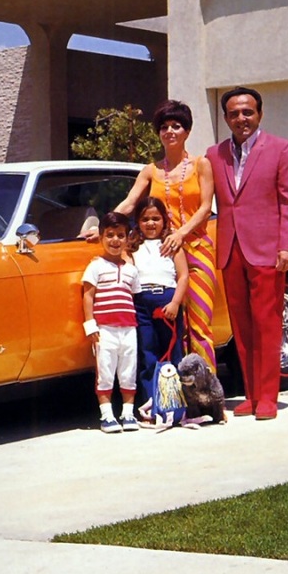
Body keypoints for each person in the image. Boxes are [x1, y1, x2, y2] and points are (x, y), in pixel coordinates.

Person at [207, 86, 288, 420]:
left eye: (247, 112)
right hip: (230, 249)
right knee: (242, 324)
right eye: (234, 113)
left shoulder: (281, 149)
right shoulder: (214, 154)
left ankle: (268, 396)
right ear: (225, 118)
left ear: (259, 114)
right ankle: (250, 394)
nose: (241, 119)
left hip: (267, 250)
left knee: (267, 323)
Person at [115, 99, 218, 373]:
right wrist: (106, 225)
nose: (170, 131)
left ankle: (205, 396)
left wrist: (181, 233)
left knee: (200, 324)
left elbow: (206, 207)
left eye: (177, 126)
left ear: (187, 131)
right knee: (173, 327)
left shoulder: (201, 164)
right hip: (161, 255)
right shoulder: (151, 170)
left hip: (196, 248)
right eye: (164, 127)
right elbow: (130, 202)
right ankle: (177, 396)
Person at [81, 211, 142, 433]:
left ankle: (128, 413)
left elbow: (133, 297)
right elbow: (88, 295)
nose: (115, 240)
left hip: (128, 328)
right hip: (104, 329)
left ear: (128, 238)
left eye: (120, 235)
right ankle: (107, 415)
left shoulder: (131, 270)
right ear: (101, 237)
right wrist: (90, 325)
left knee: (128, 370)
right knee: (105, 372)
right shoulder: (96, 266)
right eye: (110, 235)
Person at [130, 195, 189, 416]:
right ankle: (152, 406)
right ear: (138, 221)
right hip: (142, 303)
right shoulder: (132, 246)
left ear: (164, 220)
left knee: (172, 353)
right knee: (147, 353)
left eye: (156, 218)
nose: (151, 224)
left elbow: (183, 277)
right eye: (145, 219)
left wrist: (175, 303)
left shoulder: (172, 245)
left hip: (167, 301)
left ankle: (174, 406)